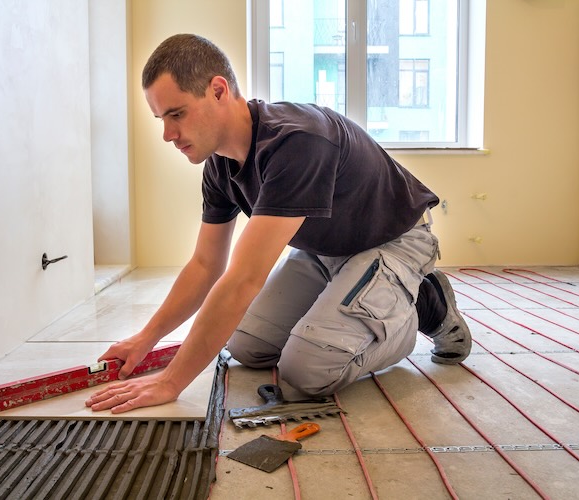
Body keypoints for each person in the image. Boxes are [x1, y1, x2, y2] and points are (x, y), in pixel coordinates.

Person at [85, 34, 472, 414]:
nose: (168, 134)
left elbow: (243, 280)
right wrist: (145, 340)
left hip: (393, 241)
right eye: (161, 119)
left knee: (308, 371)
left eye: (177, 114)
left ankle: (423, 306)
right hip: (326, 251)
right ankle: (354, 301)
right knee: (246, 346)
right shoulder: (219, 164)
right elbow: (206, 265)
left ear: (218, 90)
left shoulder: (297, 142)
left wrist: (171, 382)